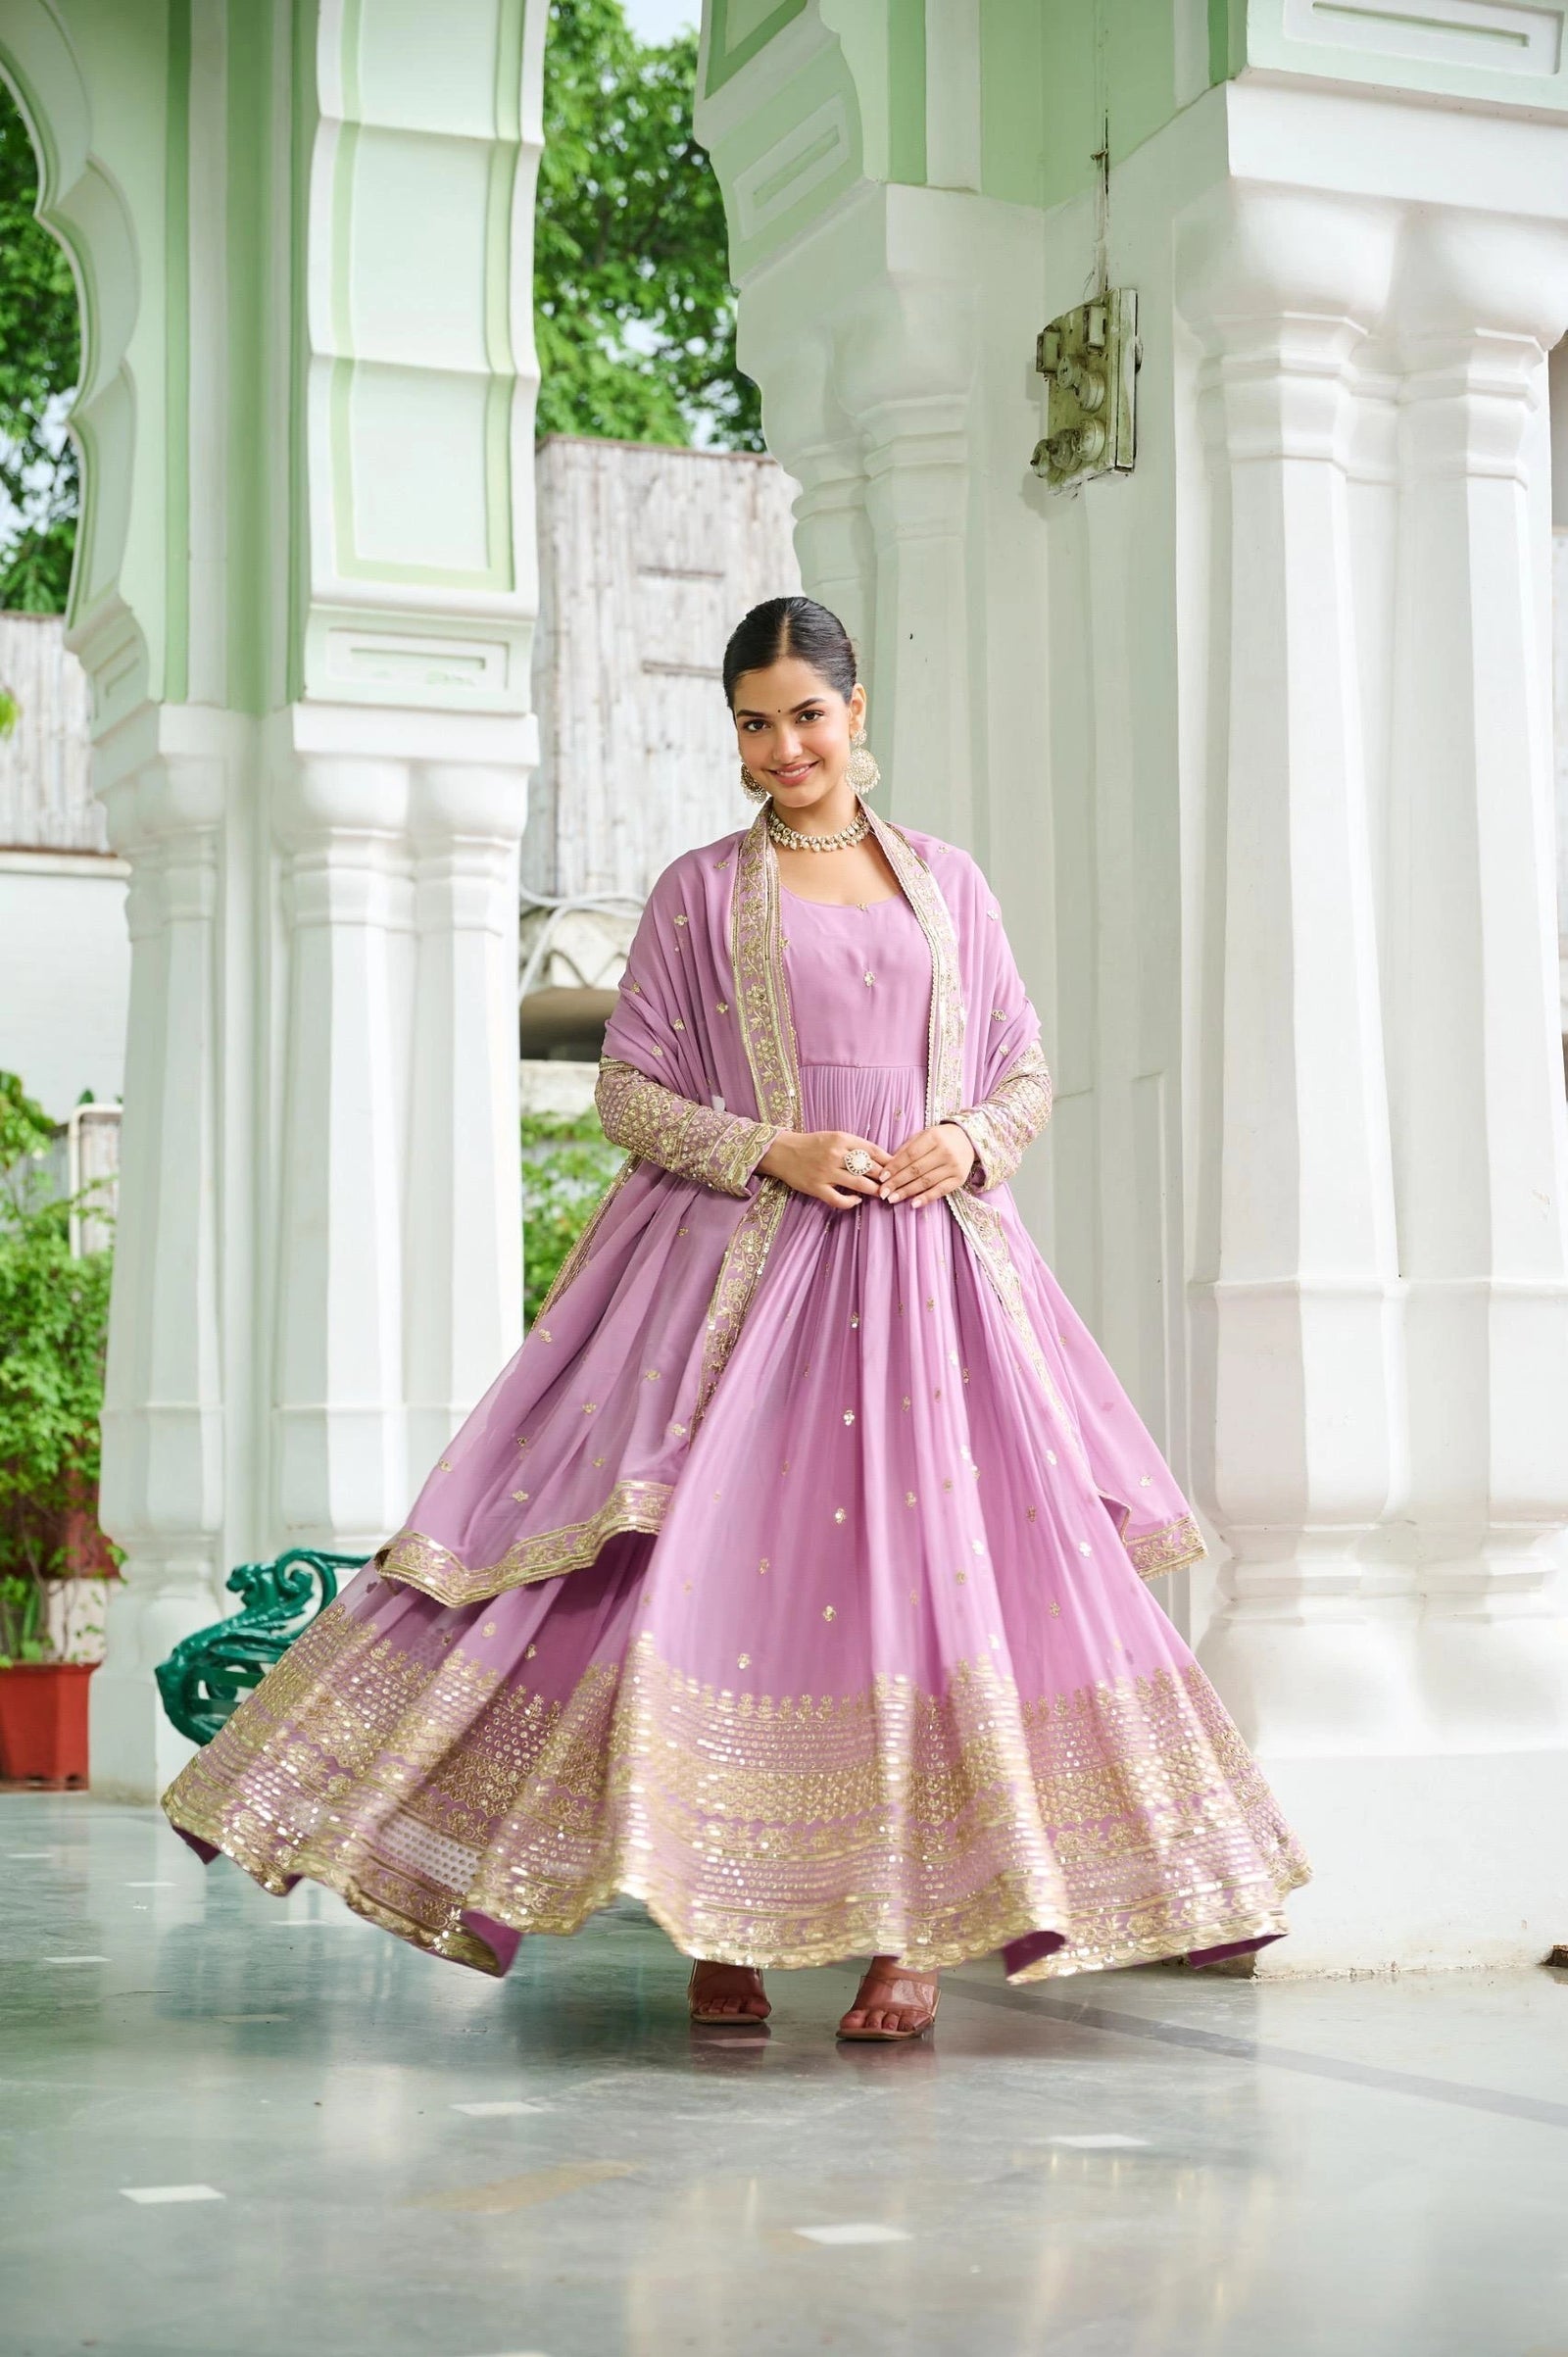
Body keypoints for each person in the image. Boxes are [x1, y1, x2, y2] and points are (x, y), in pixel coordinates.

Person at [163, 595, 1308, 2041]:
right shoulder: (700, 892)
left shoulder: (949, 883)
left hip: (928, 1294)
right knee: (707, 1588)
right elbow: (629, 1093)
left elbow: (1022, 1069)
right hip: (743, 1289)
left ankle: (907, 1943)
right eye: (754, 724)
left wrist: (965, 1142)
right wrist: (777, 1147)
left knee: (926, 1594)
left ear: (859, 710)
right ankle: (724, 1930)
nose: (782, 748)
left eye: (806, 716)